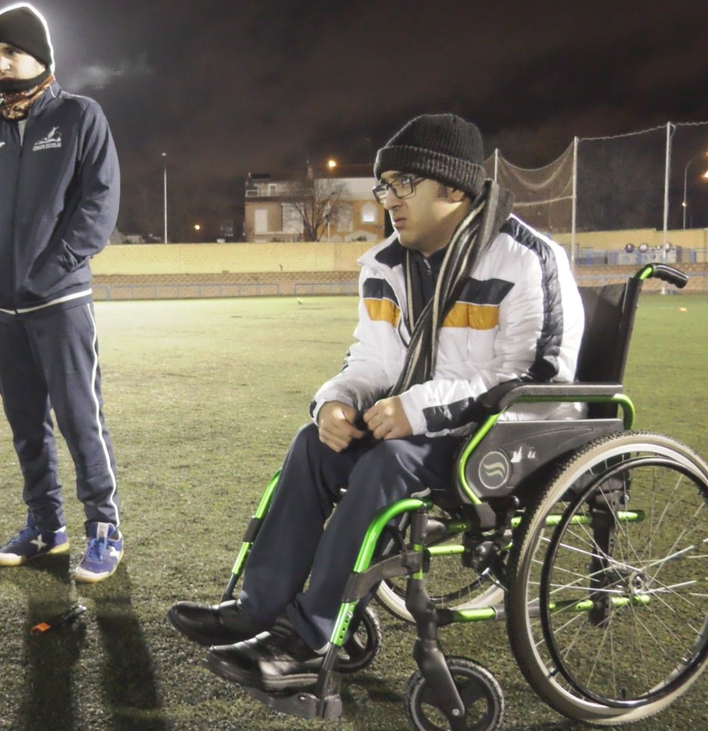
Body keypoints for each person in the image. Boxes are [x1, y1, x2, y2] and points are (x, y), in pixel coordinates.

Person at [168, 114, 586, 692]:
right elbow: (370, 361)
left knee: (390, 461)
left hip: (503, 437)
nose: (387, 198)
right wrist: (335, 403)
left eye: (402, 184)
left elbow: (535, 375)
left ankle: (308, 639)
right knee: (314, 443)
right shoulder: (387, 265)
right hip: (421, 429)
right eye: (383, 184)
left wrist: (419, 409)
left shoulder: (525, 258)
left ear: (456, 189)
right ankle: (258, 608)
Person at [0, 4, 124, 582]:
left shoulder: (81, 116)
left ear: (41, 55)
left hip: (59, 304)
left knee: (80, 419)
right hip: (0, 307)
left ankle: (104, 528)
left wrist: (53, 267)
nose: (1, 64)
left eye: (10, 52)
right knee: (25, 421)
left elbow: (99, 204)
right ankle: (45, 524)